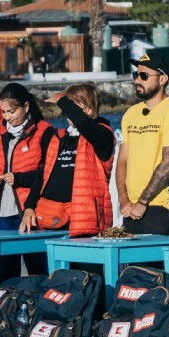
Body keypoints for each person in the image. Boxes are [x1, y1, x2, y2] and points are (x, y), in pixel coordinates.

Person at [0, 82, 56, 281]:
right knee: (5, 276)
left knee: (38, 272)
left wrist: (20, 178)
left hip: (30, 213)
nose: (7, 117)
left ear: (26, 107)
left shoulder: (44, 132)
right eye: (3, 112)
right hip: (0, 215)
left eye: (12, 111)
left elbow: (48, 173)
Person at [117, 52, 169, 236]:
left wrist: (142, 202)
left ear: (163, 79)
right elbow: (122, 160)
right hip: (130, 209)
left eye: (144, 76)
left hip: (161, 209)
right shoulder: (130, 114)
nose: (137, 80)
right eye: (136, 74)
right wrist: (123, 199)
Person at [35, 83, 115, 238]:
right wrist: (30, 207)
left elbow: (83, 123)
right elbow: (42, 175)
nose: (67, 112)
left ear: (89, 109)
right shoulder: (60, 137)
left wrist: (61, 99)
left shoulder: (102, 135)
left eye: (72, 107)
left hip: (86, 220)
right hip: (52, 217)